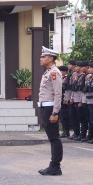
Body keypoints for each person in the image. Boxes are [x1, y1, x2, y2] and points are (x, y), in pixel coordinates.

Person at [37, 47, 63, 176]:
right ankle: (53, 165)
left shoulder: (54, 73)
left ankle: (55, 166)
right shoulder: (48, 72)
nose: (41, 59)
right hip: (45, 107)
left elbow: (58, 94)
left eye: (43, 56)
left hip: (50, 108)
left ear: (51, 58)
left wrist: (55, 112)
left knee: (54, 138)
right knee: (52, 138)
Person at [85, 62, 93, 143]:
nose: (89, 69)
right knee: (92, 120)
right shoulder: (91, 77)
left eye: (90, 67)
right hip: (90, 101)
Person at [59, 65, 71, 138]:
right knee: (62, 115)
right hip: (60, 98)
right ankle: (64, 130)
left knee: (65, 115)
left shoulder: (67, 78)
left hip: (65, 99)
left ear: (64, 71)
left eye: (60, 71)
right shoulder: (61, 78)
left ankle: (66, 131)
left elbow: (67, 89)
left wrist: (66, 98)